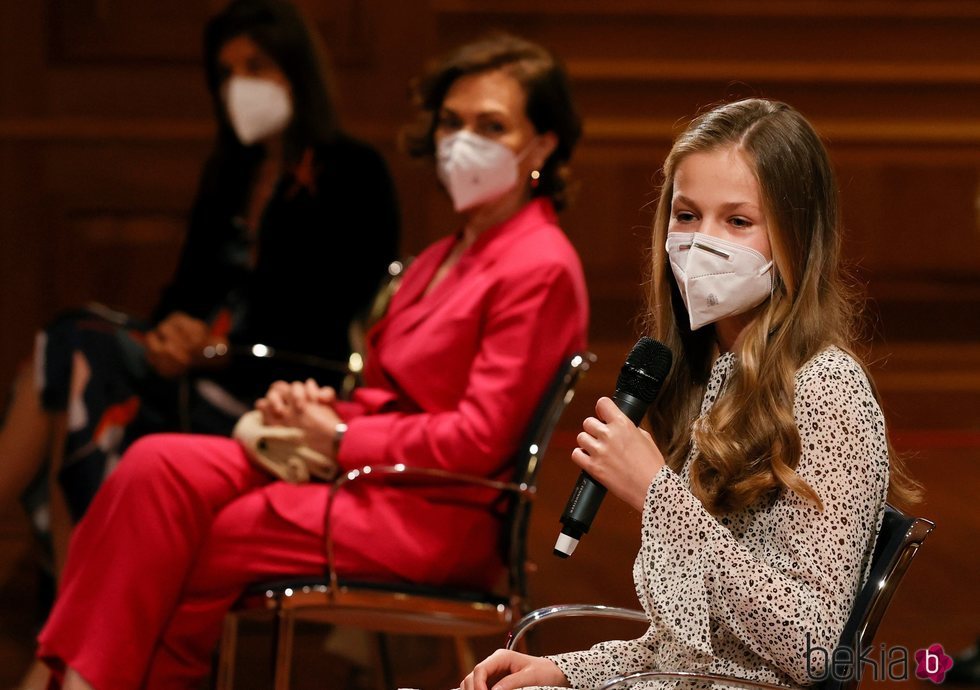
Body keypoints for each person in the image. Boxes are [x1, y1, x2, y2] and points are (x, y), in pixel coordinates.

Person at [32, 33, 589, 690]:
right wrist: (315, 410)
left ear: (544, 143)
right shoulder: (445, 252)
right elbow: (390, 393)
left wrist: (343, 435)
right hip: (372, 477)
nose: (462, 140)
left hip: (436, 513)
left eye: (491, 125)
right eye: (451, 121)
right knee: (153, 465)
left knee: (206, 539)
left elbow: (479, 439)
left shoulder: (540, 265)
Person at [461, 98, 922, 690]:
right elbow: (692, 646)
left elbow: (812, 647)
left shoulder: (827, 388)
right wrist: (564, 670)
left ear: (796, 238)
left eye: (737, 221)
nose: (703, 243)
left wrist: (658, 495)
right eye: (686, 215)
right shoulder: (707, 375)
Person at [0, 0, 399, 583]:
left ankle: (71, 610)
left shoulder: (353, 172)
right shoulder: (230, 171)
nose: (241, 86)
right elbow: (185, 291)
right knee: (71, 345)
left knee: (73, 358)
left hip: (273, 384)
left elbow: (327, 312)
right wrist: (169, 334)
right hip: (194, 370)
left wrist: (212, 348)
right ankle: (78, 606)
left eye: (256, 67)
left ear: (296, 71)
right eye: (227, 73)